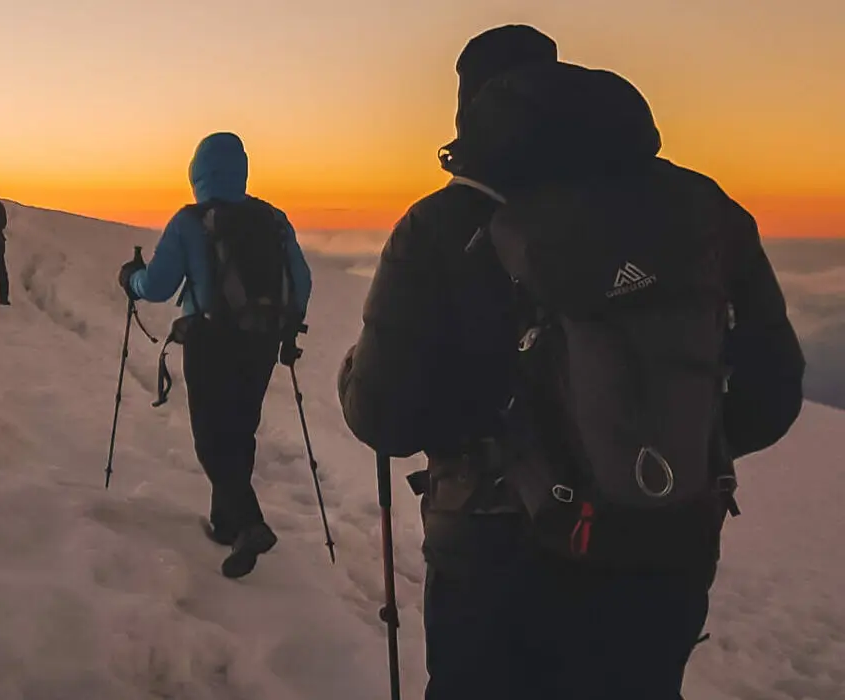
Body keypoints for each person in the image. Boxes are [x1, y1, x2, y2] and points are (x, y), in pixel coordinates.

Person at [337, 26, 805, 699]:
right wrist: (650, 448)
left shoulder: (441, 224)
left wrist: (355, 375)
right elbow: (772, 394)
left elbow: (384, 417)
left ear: (473, 109)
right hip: (665, 551)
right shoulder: (701, 209)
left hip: (492, 567)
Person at [118, 132, 313, 579]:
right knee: (240, 429)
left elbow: (158, 285)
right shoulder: (274, 219)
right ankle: (226, 523)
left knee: (210, 437)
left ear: (197, 172)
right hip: (262, 340)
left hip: (211, 338)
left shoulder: (190, 221)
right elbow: (301, 282)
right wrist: (285, 328)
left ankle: (248, 523)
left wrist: (131, 280)